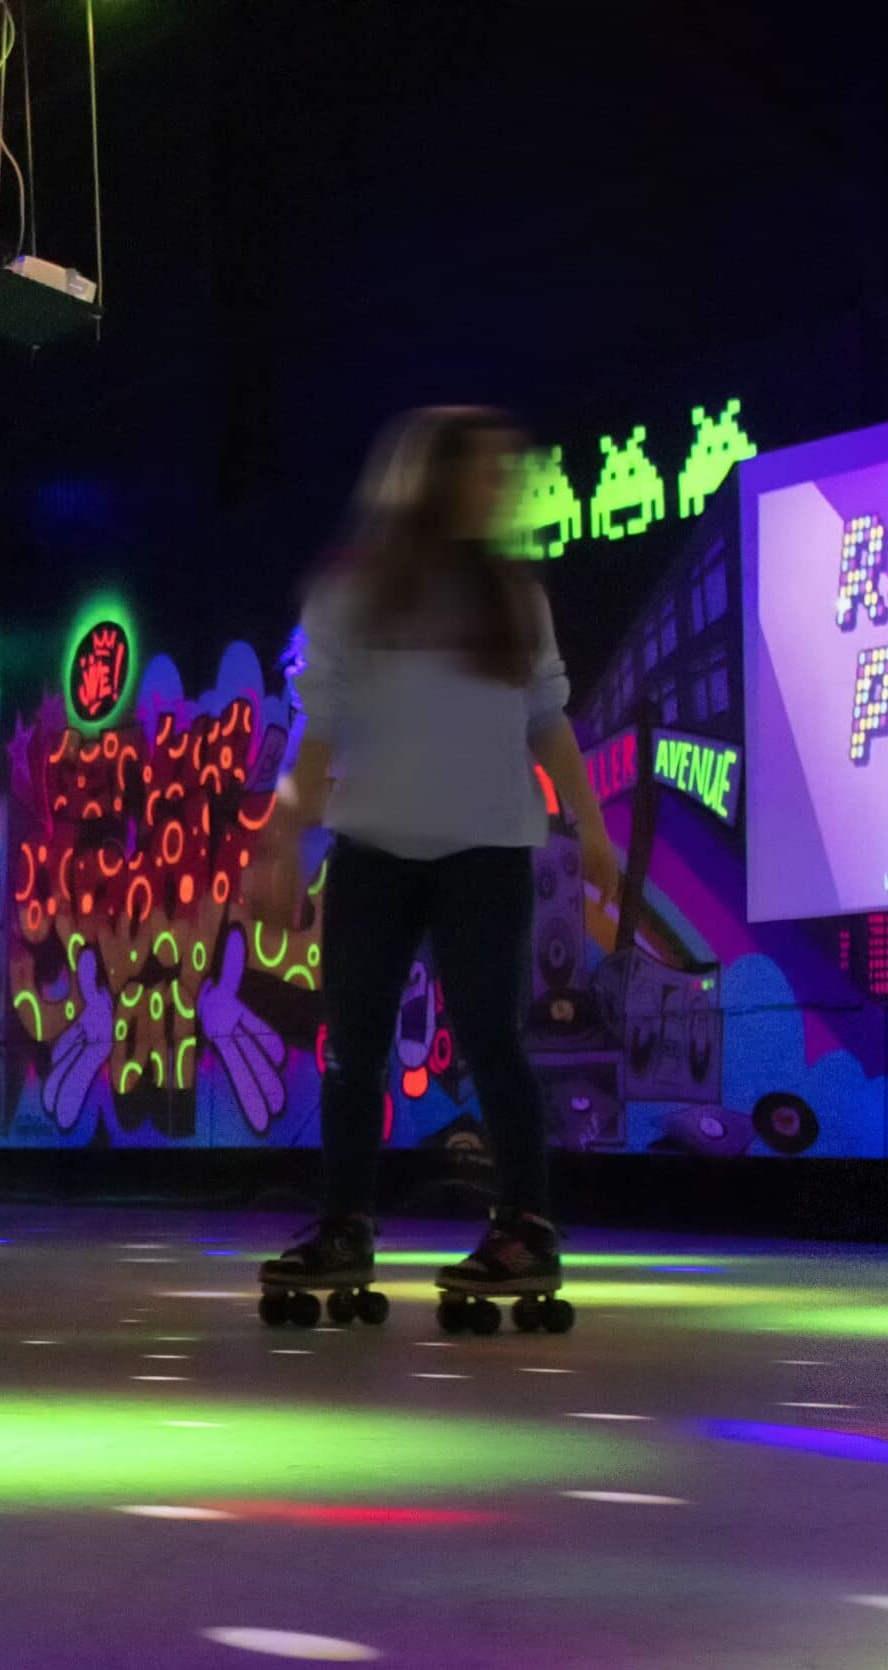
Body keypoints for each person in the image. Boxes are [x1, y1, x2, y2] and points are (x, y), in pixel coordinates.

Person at [249, 406, 619, 1314]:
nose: (500, 488)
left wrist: (595, 828)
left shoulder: (511, 596)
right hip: (374, 845)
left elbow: (546, 715)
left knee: (495, 1042)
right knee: (356, 1051)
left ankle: (525, 1228)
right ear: (432, 481)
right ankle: (346, 1225)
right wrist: (285, 834)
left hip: (488, 847)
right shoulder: (353, 594)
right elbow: (319, 730)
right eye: (484, 471)